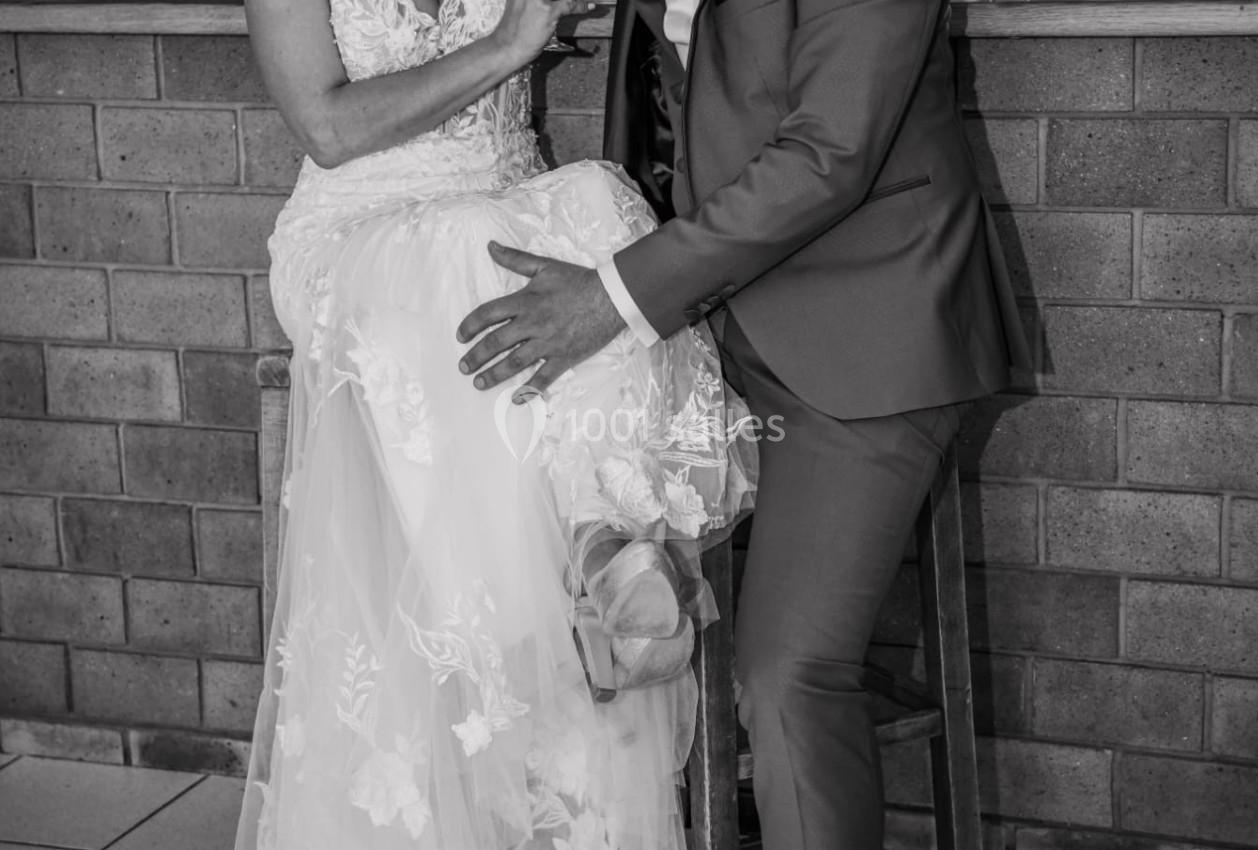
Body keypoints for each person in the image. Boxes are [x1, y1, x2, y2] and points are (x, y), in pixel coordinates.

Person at [455, 0, 1033, 846]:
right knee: (532, 587)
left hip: (871, 321)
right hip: (711, 319)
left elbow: (831, 154)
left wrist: (613, 300)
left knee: (789, 673)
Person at [232, 0, 755, 845]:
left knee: (595, 200)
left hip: (501, 209)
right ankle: (528, 662)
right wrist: (512, 39)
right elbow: (325, 125)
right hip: (357, 231)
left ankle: (604, 545)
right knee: (473, 256)